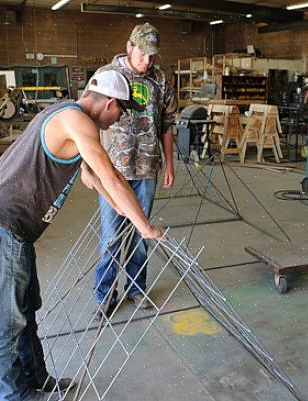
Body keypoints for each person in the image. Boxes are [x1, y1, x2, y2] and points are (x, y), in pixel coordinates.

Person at [0, 68, 164, 401]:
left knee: (26, 313)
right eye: (120, 111)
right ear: (110, 102)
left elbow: (92, 175)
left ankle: (37, 381)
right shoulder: (77, 122)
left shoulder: (68, 116)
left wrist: (115, 204)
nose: (118, 119)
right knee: (5, 326)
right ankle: (13, 397)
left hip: (15, 233)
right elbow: (114, 176)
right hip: (0, 228)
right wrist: (144, 226)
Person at [89, 22, 176, 314]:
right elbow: (87, 119)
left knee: (142, 235)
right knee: (112, 236)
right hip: (113, 171)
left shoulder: (160, 79)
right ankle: (105, 295)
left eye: (153, 55)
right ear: (129, 47)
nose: (148, 61)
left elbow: (167, 123)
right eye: (142, 54)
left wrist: (169, 163)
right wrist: (89, 167)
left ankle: (137, 289)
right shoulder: (106, 76)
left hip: (147, 168)